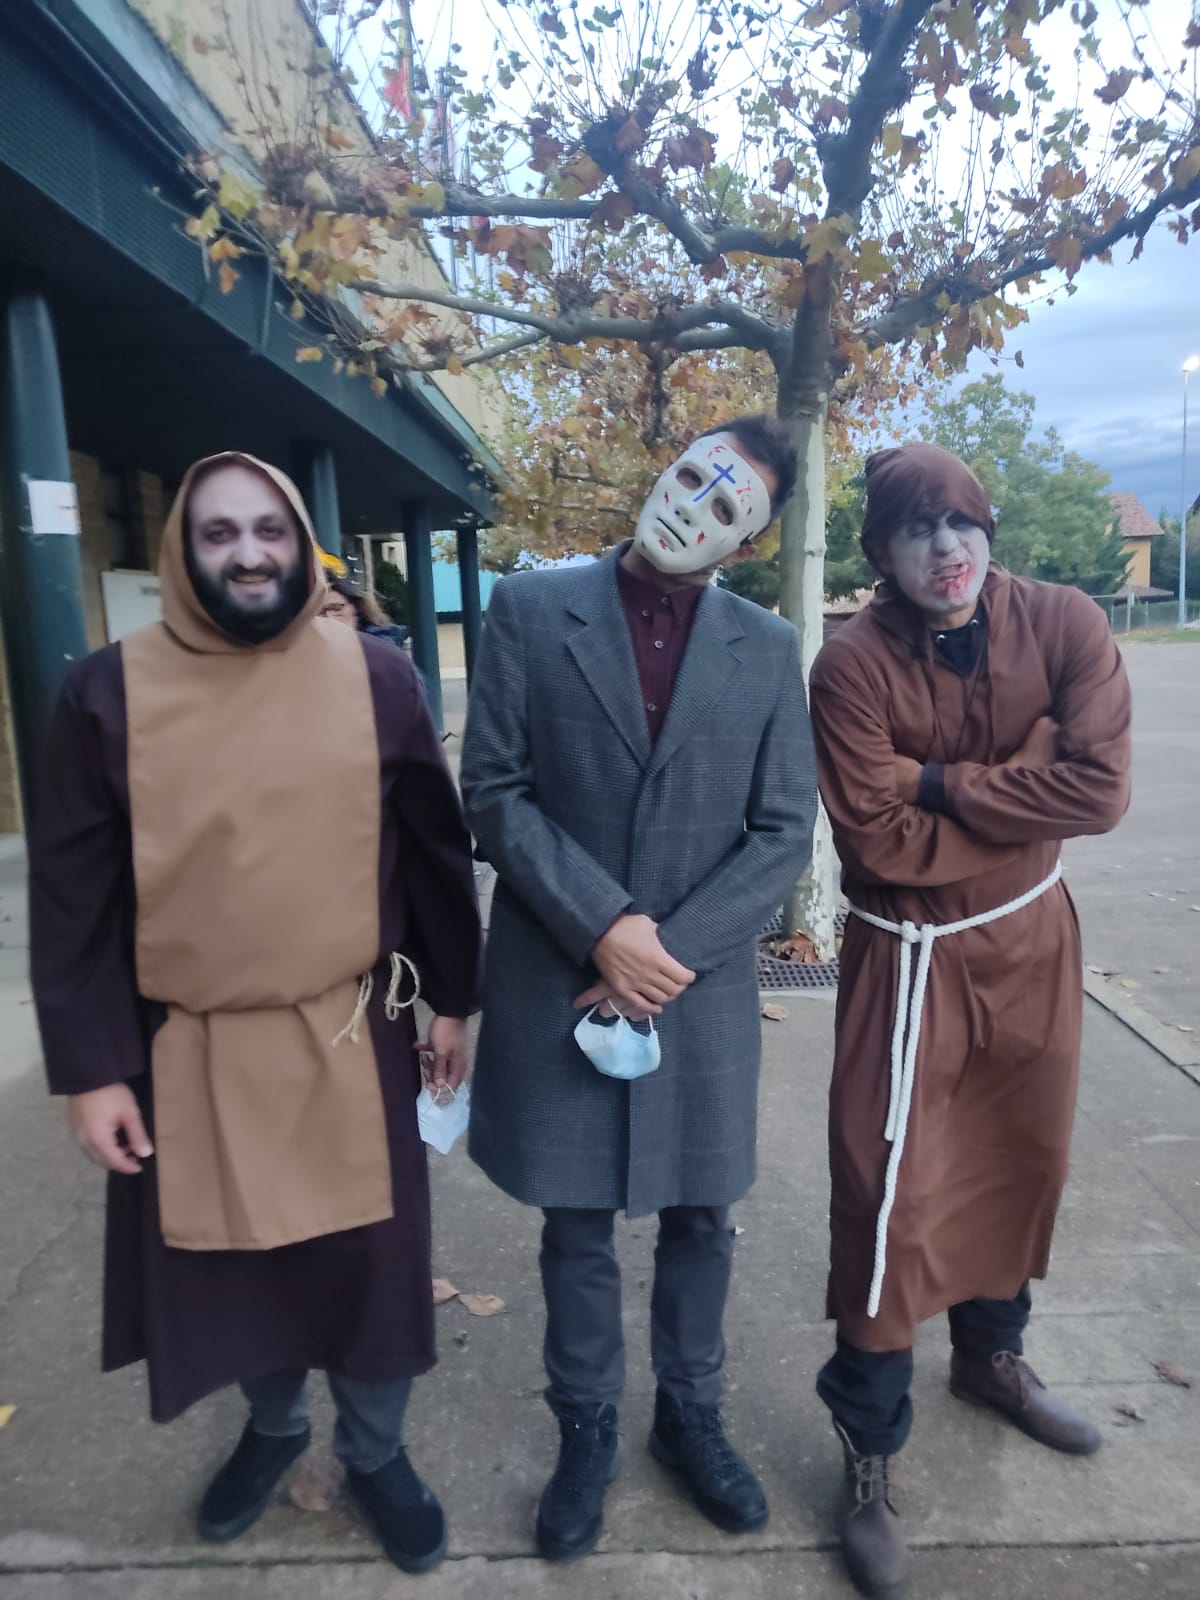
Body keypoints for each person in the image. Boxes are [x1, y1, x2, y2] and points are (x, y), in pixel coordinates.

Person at [29, 453, 482, 1574]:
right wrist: (92, 1070)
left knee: (368, 1275)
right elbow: (74, 897)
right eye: (221, 533)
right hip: (191, 1046)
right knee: (241, 1275)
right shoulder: (105, 692)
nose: (248, 553)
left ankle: (375, 1453)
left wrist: (453, 1002)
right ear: (185, 548)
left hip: (352, 1031)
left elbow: (431, 849)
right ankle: (275, 1430)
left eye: (269, 531)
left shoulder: (376, 680)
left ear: (301, 545)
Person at [460, 414, 818, 1561]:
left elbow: (781, 830)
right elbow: (495, 790)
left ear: (751, 543)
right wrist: (602, 925)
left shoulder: (765, 647)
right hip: (562, 969)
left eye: (730, 506)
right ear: (666, 465)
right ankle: (587, 1428)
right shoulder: (529, 610)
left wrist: (664, 951)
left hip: (696, 987)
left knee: (702, 1216)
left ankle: (690, 1416)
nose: (696, 505)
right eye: (693, 476)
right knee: (575, 1223)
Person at [807, 443, 1132, 1599]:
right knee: (889, 1196)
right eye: (914, 530)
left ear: (987, 529)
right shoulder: (848, 666)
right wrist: (1017, 783)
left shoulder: (1067, 623)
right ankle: (871, 1454)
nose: (944, 548)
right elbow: (877, 842)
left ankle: (991, 1359)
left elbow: (1099, 791)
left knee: (1019, 1163)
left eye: (960, 522)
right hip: (910, 964)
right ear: (882, 555)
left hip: (1034, 950)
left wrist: (936, 781)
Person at [321, 574, 411, 652]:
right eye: (319, 613)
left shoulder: (382, 647)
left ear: (356, 608)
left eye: (336, 609)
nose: (329, 617)